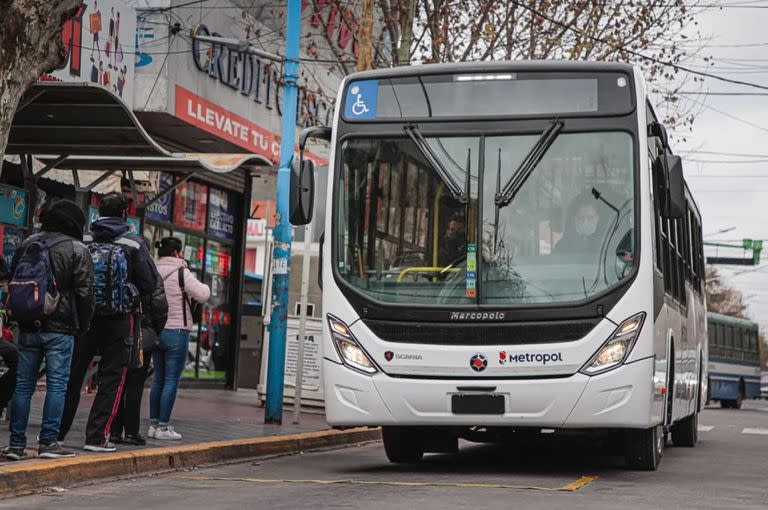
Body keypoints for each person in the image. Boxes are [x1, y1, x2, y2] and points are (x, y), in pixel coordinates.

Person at [59, 192, 157, 452]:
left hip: (84, 319)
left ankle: (55, 435)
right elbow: (150, 283)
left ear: (98, 211)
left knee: (72, 377)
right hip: (118, 319)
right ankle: (96, 438)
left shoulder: (84, 238)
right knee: (112, 379)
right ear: (124, 214)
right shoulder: (133, 243)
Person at [4, 200, 94, 461]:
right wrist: (84, 326)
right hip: (61, 328)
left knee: (23, 386)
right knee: (57, 386)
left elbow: (14, 279)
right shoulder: (78, 249)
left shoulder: (27, 243)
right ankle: (49, 443)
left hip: (28, 324)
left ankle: (16, 445)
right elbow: (86, 293)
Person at [152, 237, 210, 440]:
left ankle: (153, 424)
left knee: (157, 379)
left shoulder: (153, 269)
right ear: (178, 252)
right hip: (177, 332)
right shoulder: (181, 271)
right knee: (171, 380)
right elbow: (203, 294)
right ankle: (164, 426)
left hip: (157, 331)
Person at [111, 253, 167, 446]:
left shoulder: (117, 269)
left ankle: (114, 431)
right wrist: (154, 332)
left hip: (117, 331)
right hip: (142, 334)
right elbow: (160, 307)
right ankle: (131, 432)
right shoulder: (150, 276)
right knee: (135, 385)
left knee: (116, 382)